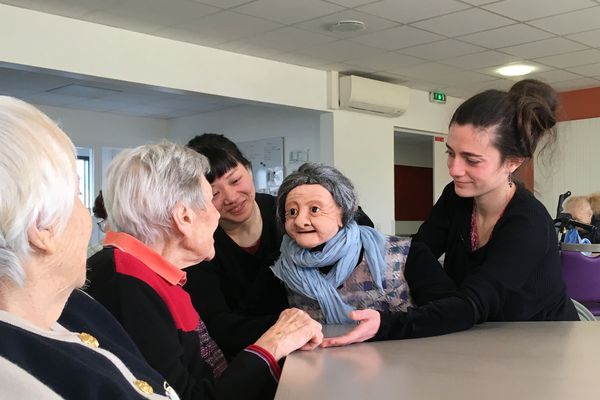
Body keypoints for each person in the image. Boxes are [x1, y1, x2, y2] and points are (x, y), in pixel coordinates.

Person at [321, 79, 578, 347]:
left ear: (512, 162)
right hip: (481, 338)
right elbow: (415, 254)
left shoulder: (528, 224)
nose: (454, 169)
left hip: (541, 346)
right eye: (451, 153)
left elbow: (472, 304)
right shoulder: (456, 198)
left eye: (471, 160)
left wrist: (385, 324)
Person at [86, 142, 322, 400]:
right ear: (184, 218)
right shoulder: (126, 284)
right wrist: (273, 343)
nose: (217, 214)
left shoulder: (143, 272)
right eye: (211, 200)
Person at [0, 95, 178, 399]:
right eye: (77, 196)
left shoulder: (74, 305)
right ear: (42, 227)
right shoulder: (20, 383)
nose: (90, 219)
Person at [184, 134, 373, 359]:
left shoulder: (288, 211)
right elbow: (219, 325)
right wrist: (293, 325)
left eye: (235, 180)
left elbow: (359, 223)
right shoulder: (201, 245)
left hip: (329, 343)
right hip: (256, 358)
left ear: (249, 169)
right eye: (215, 193)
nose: (232, 197)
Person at [271, 162, 454, 324]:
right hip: (318, 361)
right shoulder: (282, 267)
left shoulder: (406, 253)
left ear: (344, 213)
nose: (300, 221)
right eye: (292, 211)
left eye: (315, 209)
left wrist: (385, 325)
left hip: (402, 360)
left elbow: (453, 310)